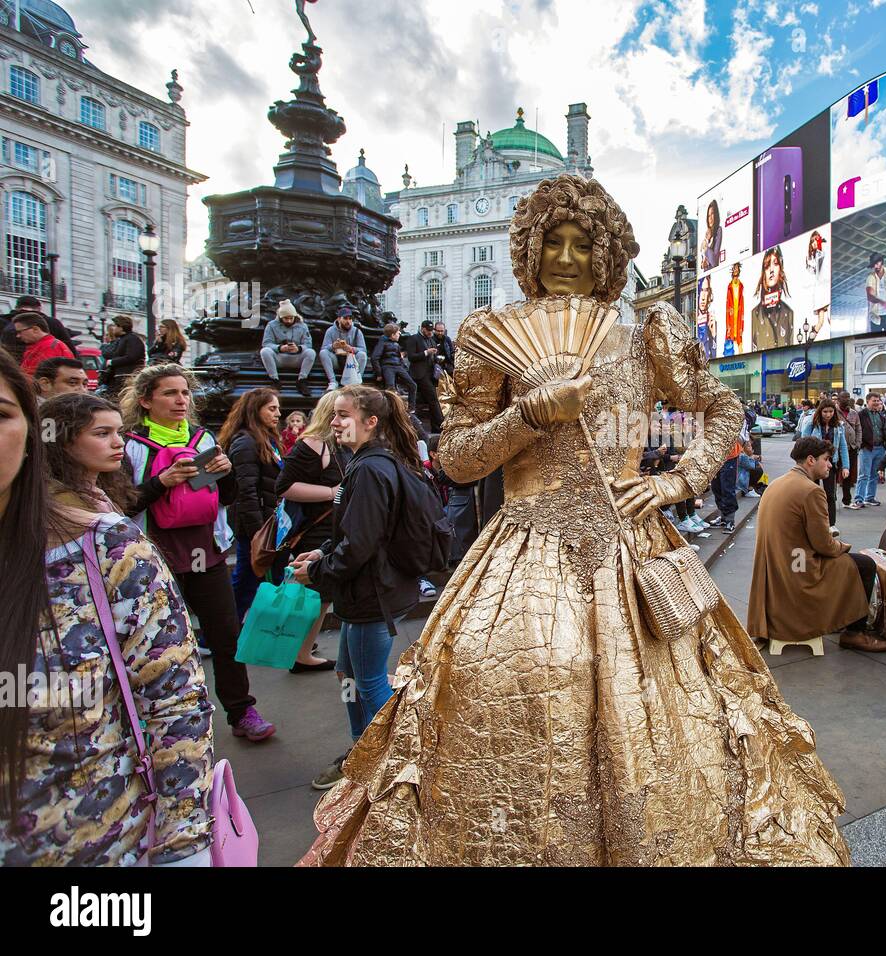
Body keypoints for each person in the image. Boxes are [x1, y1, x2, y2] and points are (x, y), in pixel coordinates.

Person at [300, 174, 848, 867]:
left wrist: (677, 479)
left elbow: (722, 411)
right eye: (550, 243)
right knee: (510, 702)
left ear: (606, 257)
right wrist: (530, 416)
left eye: (581, 245)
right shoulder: (491, 340)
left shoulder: (646, 335)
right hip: (522, 551)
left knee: (668, 717)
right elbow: (459, 459)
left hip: (631, 547)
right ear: (529, 253)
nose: (564, 257)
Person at [0, 353, 214, 866]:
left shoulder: (106, 543)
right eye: (102, 433)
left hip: (92, 853)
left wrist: (184, 850)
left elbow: (175, 701)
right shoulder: (141, 458)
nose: (116, 442)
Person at [120, 363, 276, 742]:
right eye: (169, 393)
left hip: (205, 552)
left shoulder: (201, 439)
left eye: (185, 393)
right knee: (154, 642)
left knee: (226, 634)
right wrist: (161, 482)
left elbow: (224, 499)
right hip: (153, 556)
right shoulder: (131, 444)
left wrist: (226, 475)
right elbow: (121, 505)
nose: (180, 400)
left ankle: (241, 711)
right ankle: (153, 719)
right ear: (145, 400)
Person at [291, 385, 423, 787]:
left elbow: (361, 545)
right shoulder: (368, 462)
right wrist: (323, 554)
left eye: (343, 415)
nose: (334, 421)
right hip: (367, 591)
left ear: (371, 422)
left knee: (367, 680)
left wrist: (318, 572)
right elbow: (356, 532)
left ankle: (397, 756)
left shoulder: (369, 469)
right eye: (334, 414)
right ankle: (362, 748)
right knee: (349, 673)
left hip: (371, 595)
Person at [748, 436, 886, 653]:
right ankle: (854, 633)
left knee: (850, 563)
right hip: (798, 573)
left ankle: (845, 621)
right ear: (811, 460)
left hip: (777, 570)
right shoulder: (811, 490)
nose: (831, 465)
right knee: (865, 564)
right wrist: (843, 546)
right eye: (827, 459)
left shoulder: (777, 483)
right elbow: (824, 545)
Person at [275, 393, 343, 679]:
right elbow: (284, 485)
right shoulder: (312, 444)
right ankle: (301, 654)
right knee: (317, 591)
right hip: (315, 528)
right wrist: (331, 493)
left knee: (317, 591)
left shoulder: (334, 444)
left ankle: (300, 647)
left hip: (328, 526)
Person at [218, 387, 284, 620]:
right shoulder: (245, 443)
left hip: (270, 523)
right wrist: (257, 530)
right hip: (256, 527)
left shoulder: (266, 439)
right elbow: (245, 490)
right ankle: (218, 636)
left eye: (278, 408)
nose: (278, 414)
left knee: (260, 580)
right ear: (255, 410)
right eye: (272, 408)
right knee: (245, 580)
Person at [41, 392, 137, 515]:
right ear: (63, 439)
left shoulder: (102, 491)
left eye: (119, 432)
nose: (119, 443)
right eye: (103, 433)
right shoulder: (59, 504)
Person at [798, 397, 850, 532]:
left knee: (830, 495)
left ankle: (831, 524)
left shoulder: (838, 426)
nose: (828, 414)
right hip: (813, 464)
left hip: (830, 463)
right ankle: (813, 522)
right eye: (825, 411)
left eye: (831, 411)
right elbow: (803, 442)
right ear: (820, 411)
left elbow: (843, 446)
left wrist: (846, 466)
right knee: (812, 494)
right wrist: (803, 464)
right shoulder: (811, 423)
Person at [258, 299, 316, 397]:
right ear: (281, 317)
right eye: (286, 318)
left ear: (295, 316)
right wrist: (279, 348)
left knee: (311, 352)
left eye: (291, 318)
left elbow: (308, 344)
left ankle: (302, 381)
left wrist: (299, 348)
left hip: (297, 358)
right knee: (265, 351)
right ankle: (275, 380)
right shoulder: (271, 325)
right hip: (279, 357)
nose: (289, 320)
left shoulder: (303, 326)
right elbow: (266, 343)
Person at [1, 295, 78, 360]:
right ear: (39, 308)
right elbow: (71, 351)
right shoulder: (52, 323)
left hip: (9, 369)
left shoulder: (3, 322)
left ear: (17, 307)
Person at [851, 392, 886, 508]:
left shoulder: (881, 415)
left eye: (878, 401)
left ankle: (870, 497)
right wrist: (861, 444)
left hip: (880, 448)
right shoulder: (861, 414)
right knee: (864, 474)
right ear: (867, 401)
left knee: (874, 474)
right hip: (867, 448)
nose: (877, 403)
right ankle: (859, 499)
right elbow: (857, 430)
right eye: (874, 401)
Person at [751, 246, 795, 350]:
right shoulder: (755, 314)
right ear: (764, 273)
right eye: (767, 266)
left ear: (780, 269)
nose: (771, 270)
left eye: (775, 264)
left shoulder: (788, 313)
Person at [321, 305, 368, 390]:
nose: (348, 321)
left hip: (351, 361)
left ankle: (356, 382)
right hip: (336, 359)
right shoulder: (330, 331)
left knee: (362, 355)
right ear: (339, 319)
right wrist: (333, 346)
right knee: (323, 353)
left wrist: (352, 349)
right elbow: (324, 348)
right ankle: (332, 382)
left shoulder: (357, 331)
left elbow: (363, 349)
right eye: (345, 318)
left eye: (350, 318)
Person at [371, 322, 418, 402]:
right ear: (392, 335)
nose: (399, 334)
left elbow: (399, 358)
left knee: (413, 385)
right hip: (388, 367)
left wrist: (405, 369)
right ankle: (391, 409)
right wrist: (379, 373)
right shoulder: (382, 343)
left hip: (397, 366)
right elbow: (374, 358)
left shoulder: (396, 345)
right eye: (397, 333)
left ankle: (411, 408)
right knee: (390, 389)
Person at [99, 315, 145, 392]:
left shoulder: (132, 339)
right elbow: (111, 353)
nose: (113, 329)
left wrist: (112, 362)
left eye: (115, 326)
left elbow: (131, 357)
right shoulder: (122, 339)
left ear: (121, 327)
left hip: (127, 376)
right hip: (119, 376)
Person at [836, 392, 861, 506]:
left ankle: (847, 500)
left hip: (851, 447)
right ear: (839, 399)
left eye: (848, 397)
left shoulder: (854, 413)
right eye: (844, 398)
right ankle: (833, 498)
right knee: (835, 473)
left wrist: (857, 443)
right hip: (837, 447)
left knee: (848, 474)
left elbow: (858, 429)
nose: (846, 400)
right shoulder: (834, 412)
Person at [723, 261, 744, 354]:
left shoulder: (741, 285)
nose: (735, 270)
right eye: (734, 268)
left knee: (739, 333)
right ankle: (729, 353)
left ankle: (740, 352)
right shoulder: (729, 286)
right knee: (730, 333)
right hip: (731, 313)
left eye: (737, 268)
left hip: (738, 312)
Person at [701, 198, 722, 270]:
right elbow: (702, 265)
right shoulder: (706, 236)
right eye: (708, 216)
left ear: (716, 214)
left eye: (712, 214)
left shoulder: (718, 230)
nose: (710, 218)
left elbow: (714, 262)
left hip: (714, 273)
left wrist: (706, 248)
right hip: (706, 276)